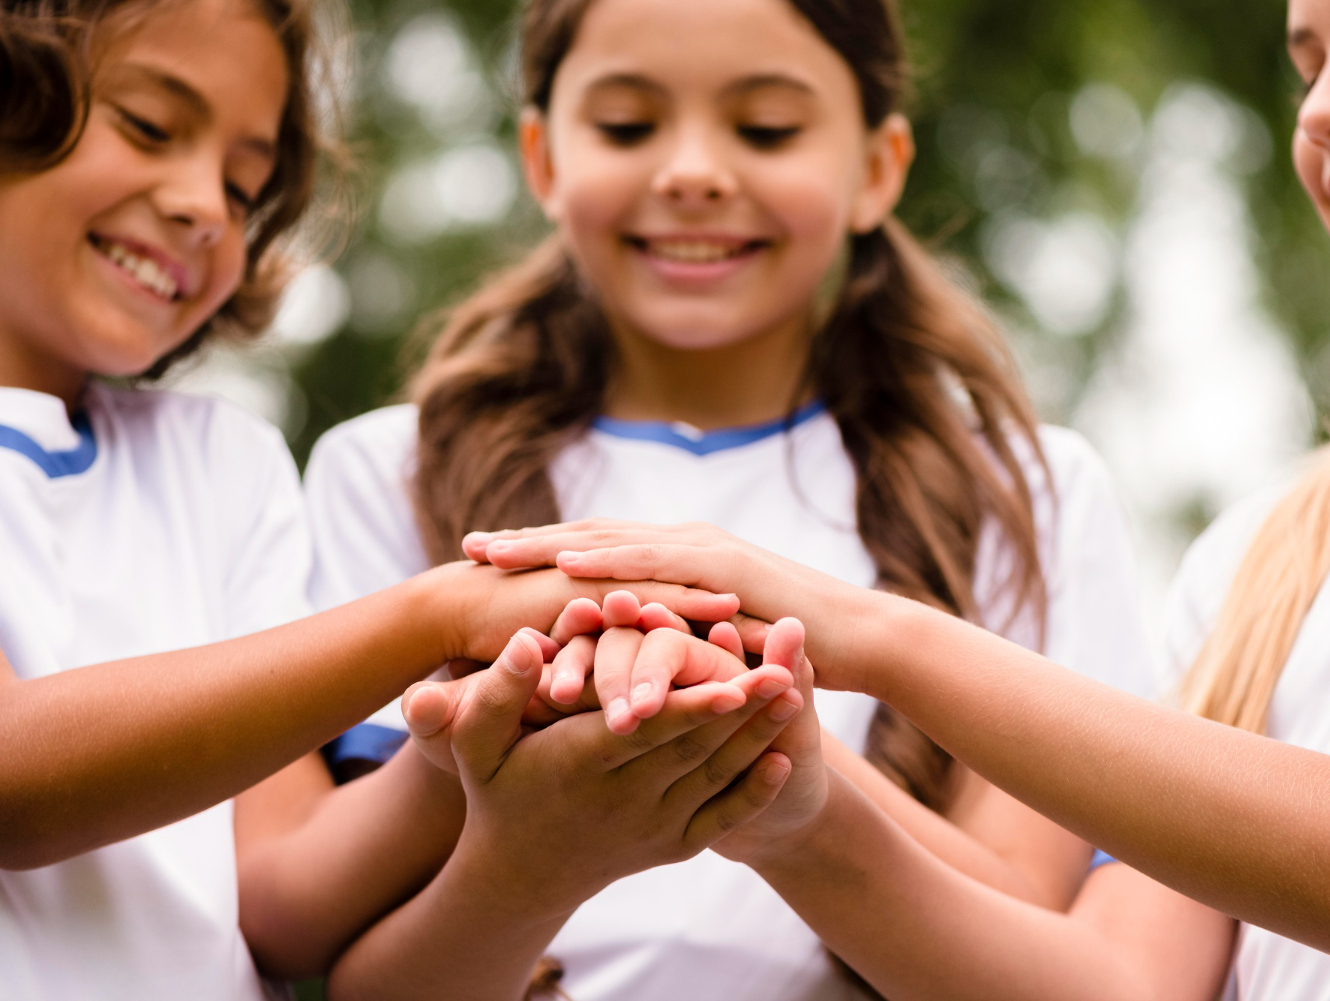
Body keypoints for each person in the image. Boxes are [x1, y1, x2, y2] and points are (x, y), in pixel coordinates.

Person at [476, 0, 1330, 993]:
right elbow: (1124, 987)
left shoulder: (1072, 510)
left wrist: (871, 633)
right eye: (1309, 65)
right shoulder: (1259, 560)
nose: (1323, 110)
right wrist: (787, 796)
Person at [303, 0, 1156, 996]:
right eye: (627, 124)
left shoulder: (1028, 493)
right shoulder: (389, 469)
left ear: (878, 167)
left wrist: (748, 725)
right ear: (542, 157)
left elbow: (1033, 925)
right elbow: (334, 952)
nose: (693, 172)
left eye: (767, 128)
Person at [0, 0, 774, 996]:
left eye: (243, 186)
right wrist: (436, 613)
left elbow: (280, 906)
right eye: (149, 125)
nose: (204, 206)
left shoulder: (222, 464)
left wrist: (475, 728)